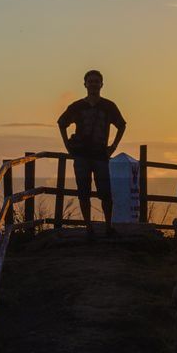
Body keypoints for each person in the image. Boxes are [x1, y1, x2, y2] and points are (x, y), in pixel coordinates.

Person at [57, 69, 127, 238]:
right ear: (85, 84)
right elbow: (61, 122)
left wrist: (113, 147)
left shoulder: (109, 107)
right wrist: (67, 145)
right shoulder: (77, 107)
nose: (93, 84)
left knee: (106, 193)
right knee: (83, 192)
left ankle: (108, 226)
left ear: (101, 84)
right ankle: (88, 227)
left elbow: (122, 125)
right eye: (91, 81)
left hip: (101, 155)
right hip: (81, 154)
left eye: (96, 81)